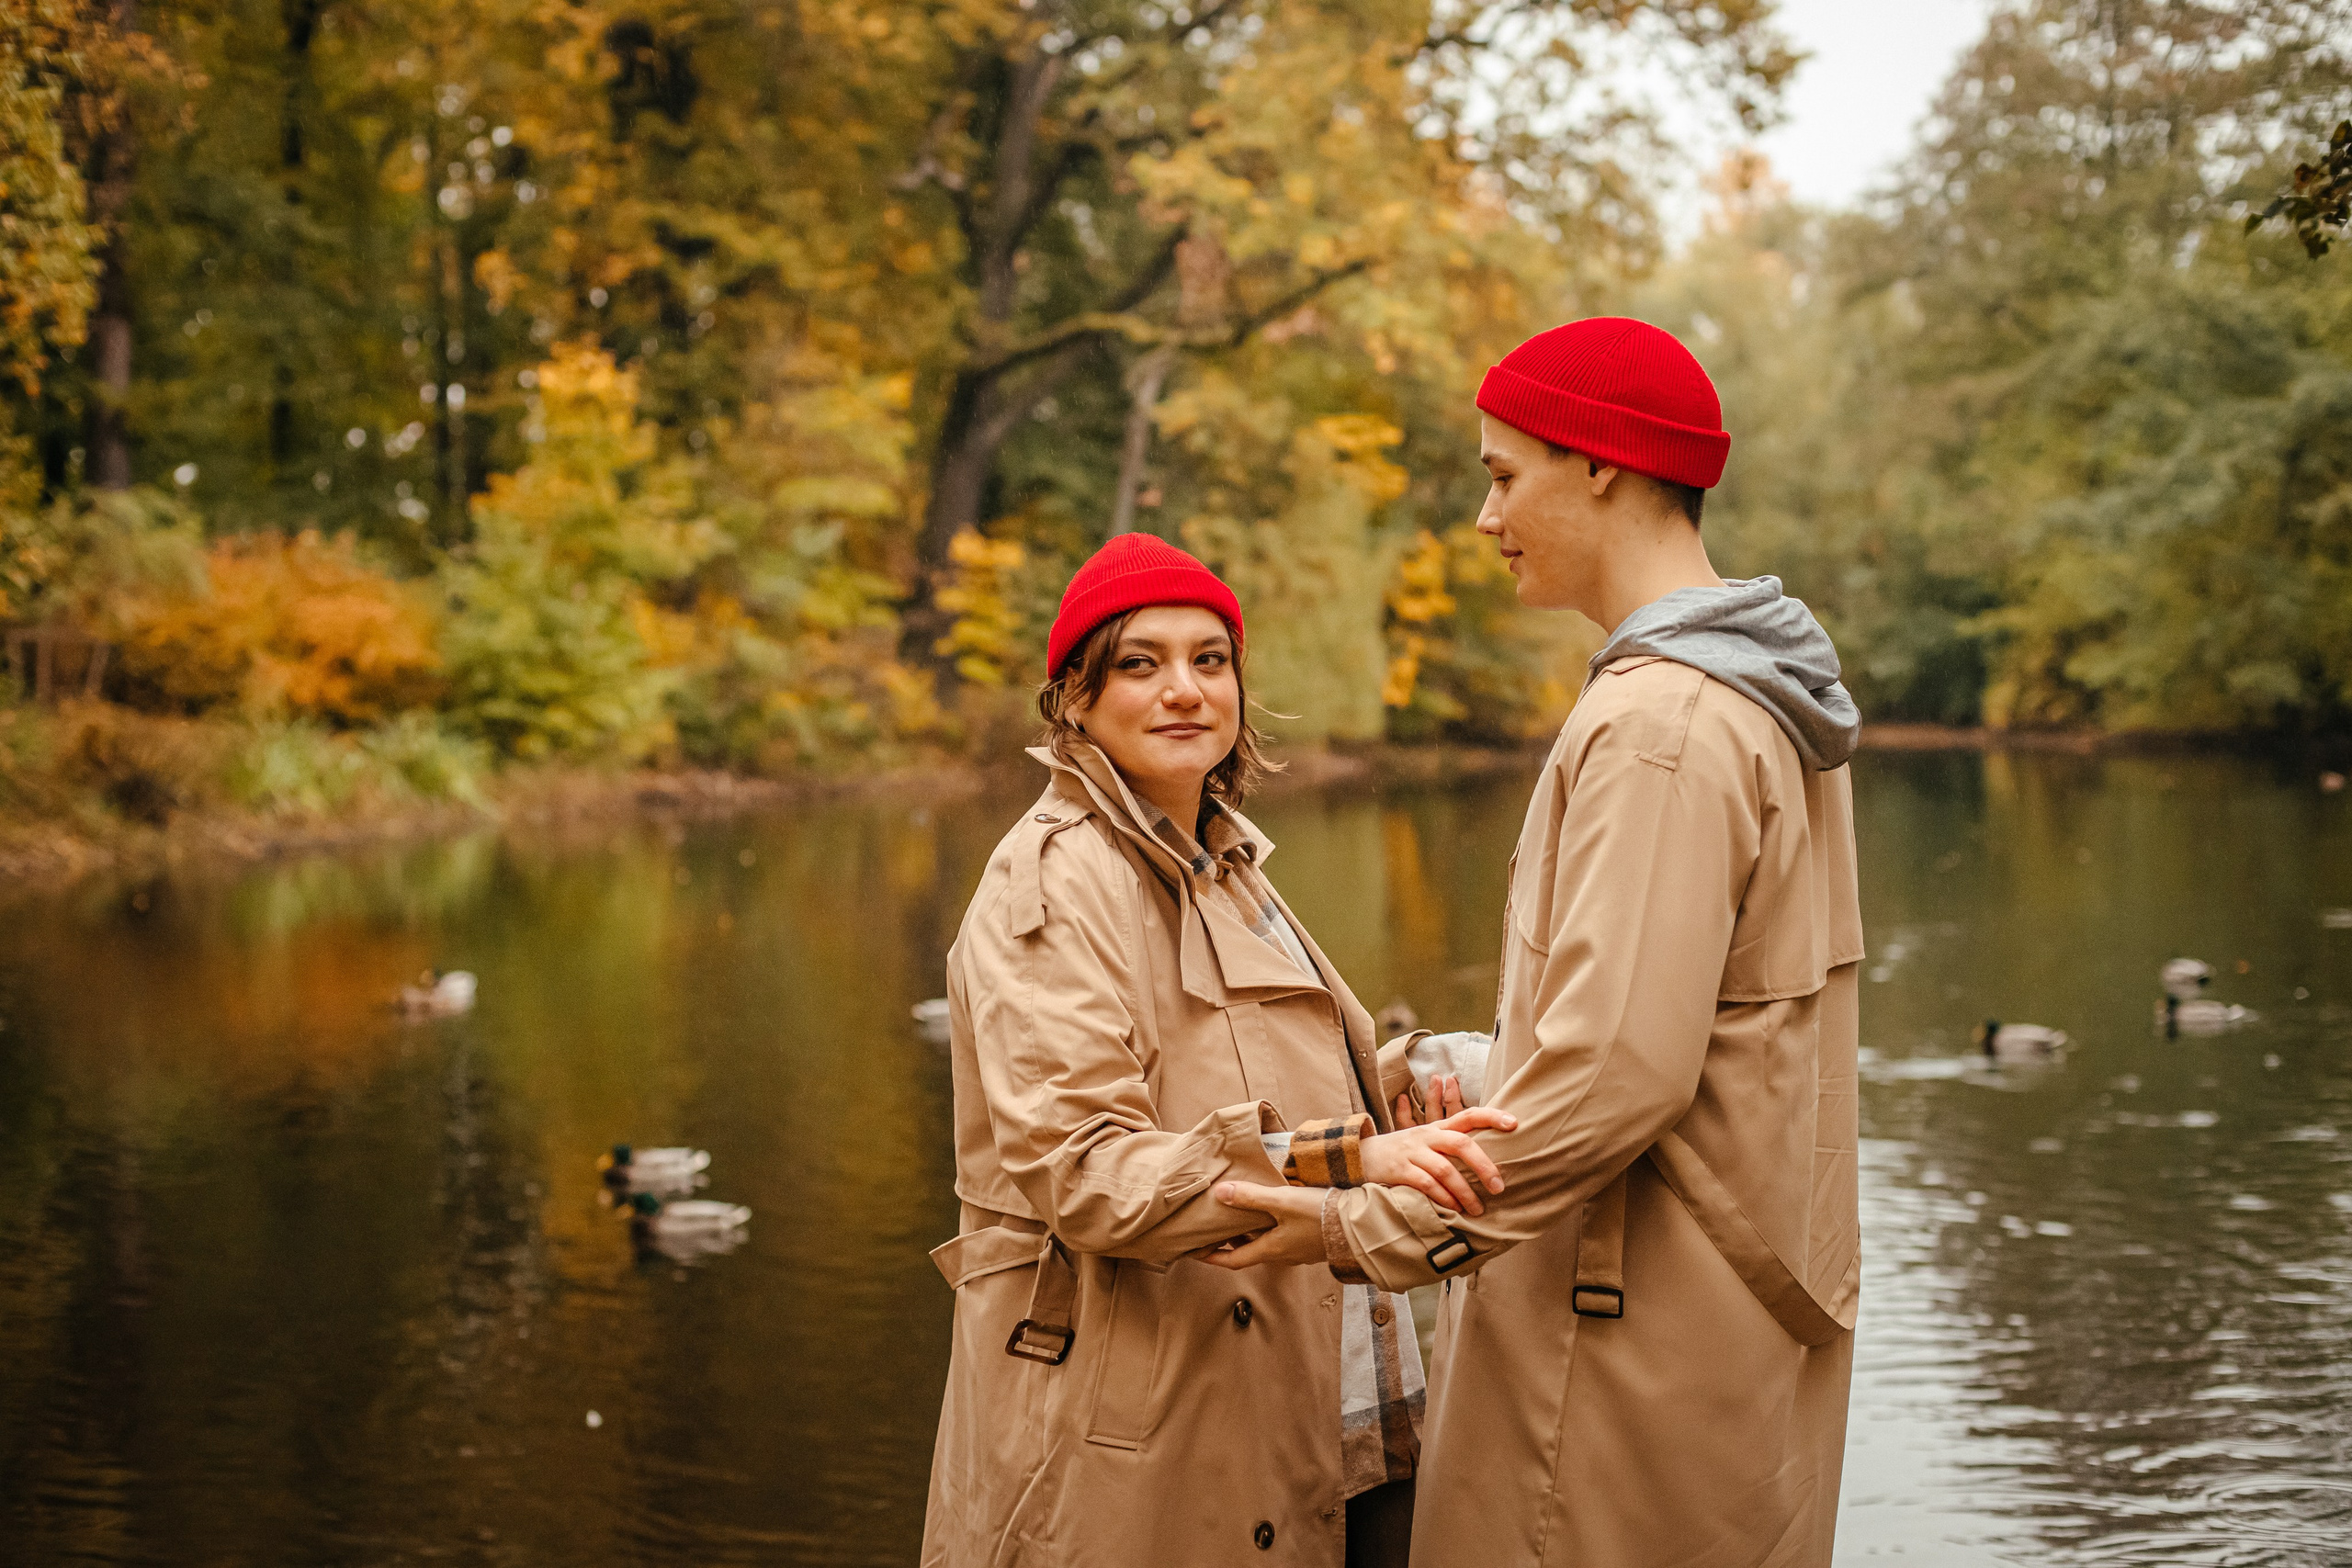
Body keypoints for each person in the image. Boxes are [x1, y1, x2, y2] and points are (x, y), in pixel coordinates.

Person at [1213, 317, 1866, 1568]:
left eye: (1504, 474)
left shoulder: (1661, 725)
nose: (1486, 516)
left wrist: (1357, 1229)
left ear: (1601, 464)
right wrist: (1481, 1060)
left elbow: (1619, 1077)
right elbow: (1715, 1029)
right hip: (1718, 1325)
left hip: (1620, 1347)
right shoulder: (1757, 695)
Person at [921, 534, 1516, 1568]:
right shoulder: (1057, 880)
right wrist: (1352, 1157)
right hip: (1134, 1425)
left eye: (1210, 659)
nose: (1185, 689)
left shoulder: (1216, 858)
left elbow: (1237, 1082)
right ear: (1074, 698)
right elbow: (1086, 1169)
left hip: (1312, 1389)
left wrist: (1412, 1081)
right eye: (1139, 663)